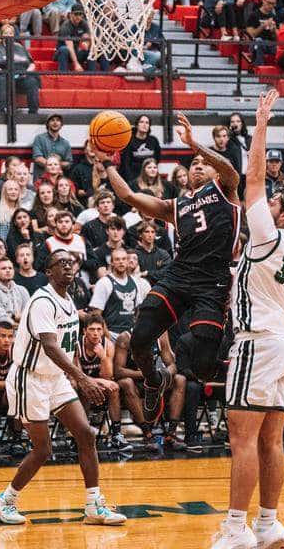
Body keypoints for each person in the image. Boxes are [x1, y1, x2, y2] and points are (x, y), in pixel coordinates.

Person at [212, 89, 284, 549]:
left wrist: (260, 123)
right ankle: (268, 522)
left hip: (257, 342)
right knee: (272, 439)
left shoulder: (268, 235)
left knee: (243, 439)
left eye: (275, 203)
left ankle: (235, 528)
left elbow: (252, 176)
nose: (267, 203)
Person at [94, 113, 240, 421]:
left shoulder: (225, 190)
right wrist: (107, 162)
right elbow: (129, 196)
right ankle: (153, 380)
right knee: (140, 338)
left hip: (212, 281)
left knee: (201, 364)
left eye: (203, 162)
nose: (197, 164)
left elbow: (230, 169)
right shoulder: (177, 205)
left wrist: (193, 143)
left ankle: (190, 355)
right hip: (179, 275)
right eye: (193, 162)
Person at [0, 250, 126, 526]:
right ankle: (6, 499)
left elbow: (66, 347)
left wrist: (78, 376)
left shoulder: (68, 301)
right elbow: (50, 346)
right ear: (49, 271)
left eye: (71, 263)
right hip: (29, 379)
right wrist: (84, 378)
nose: (67, 266)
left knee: (86, 434)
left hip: (55, 378)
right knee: (43, 450)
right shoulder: (42, 300)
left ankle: (93, 505)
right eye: (60, 263)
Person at [75, 315, 128, 452]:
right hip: (80, 383)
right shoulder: (77, 345)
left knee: (114, 388)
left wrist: (103, 358)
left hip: (99, 383)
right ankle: (81, 434)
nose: (95, 333)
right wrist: (95, 381)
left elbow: (108, 376)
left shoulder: (108, 345)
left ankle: (116, 433)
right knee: (82, 387)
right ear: (84, 331)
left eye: (99, 329)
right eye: (92, 329)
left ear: (103, 330)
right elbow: (77, 376)